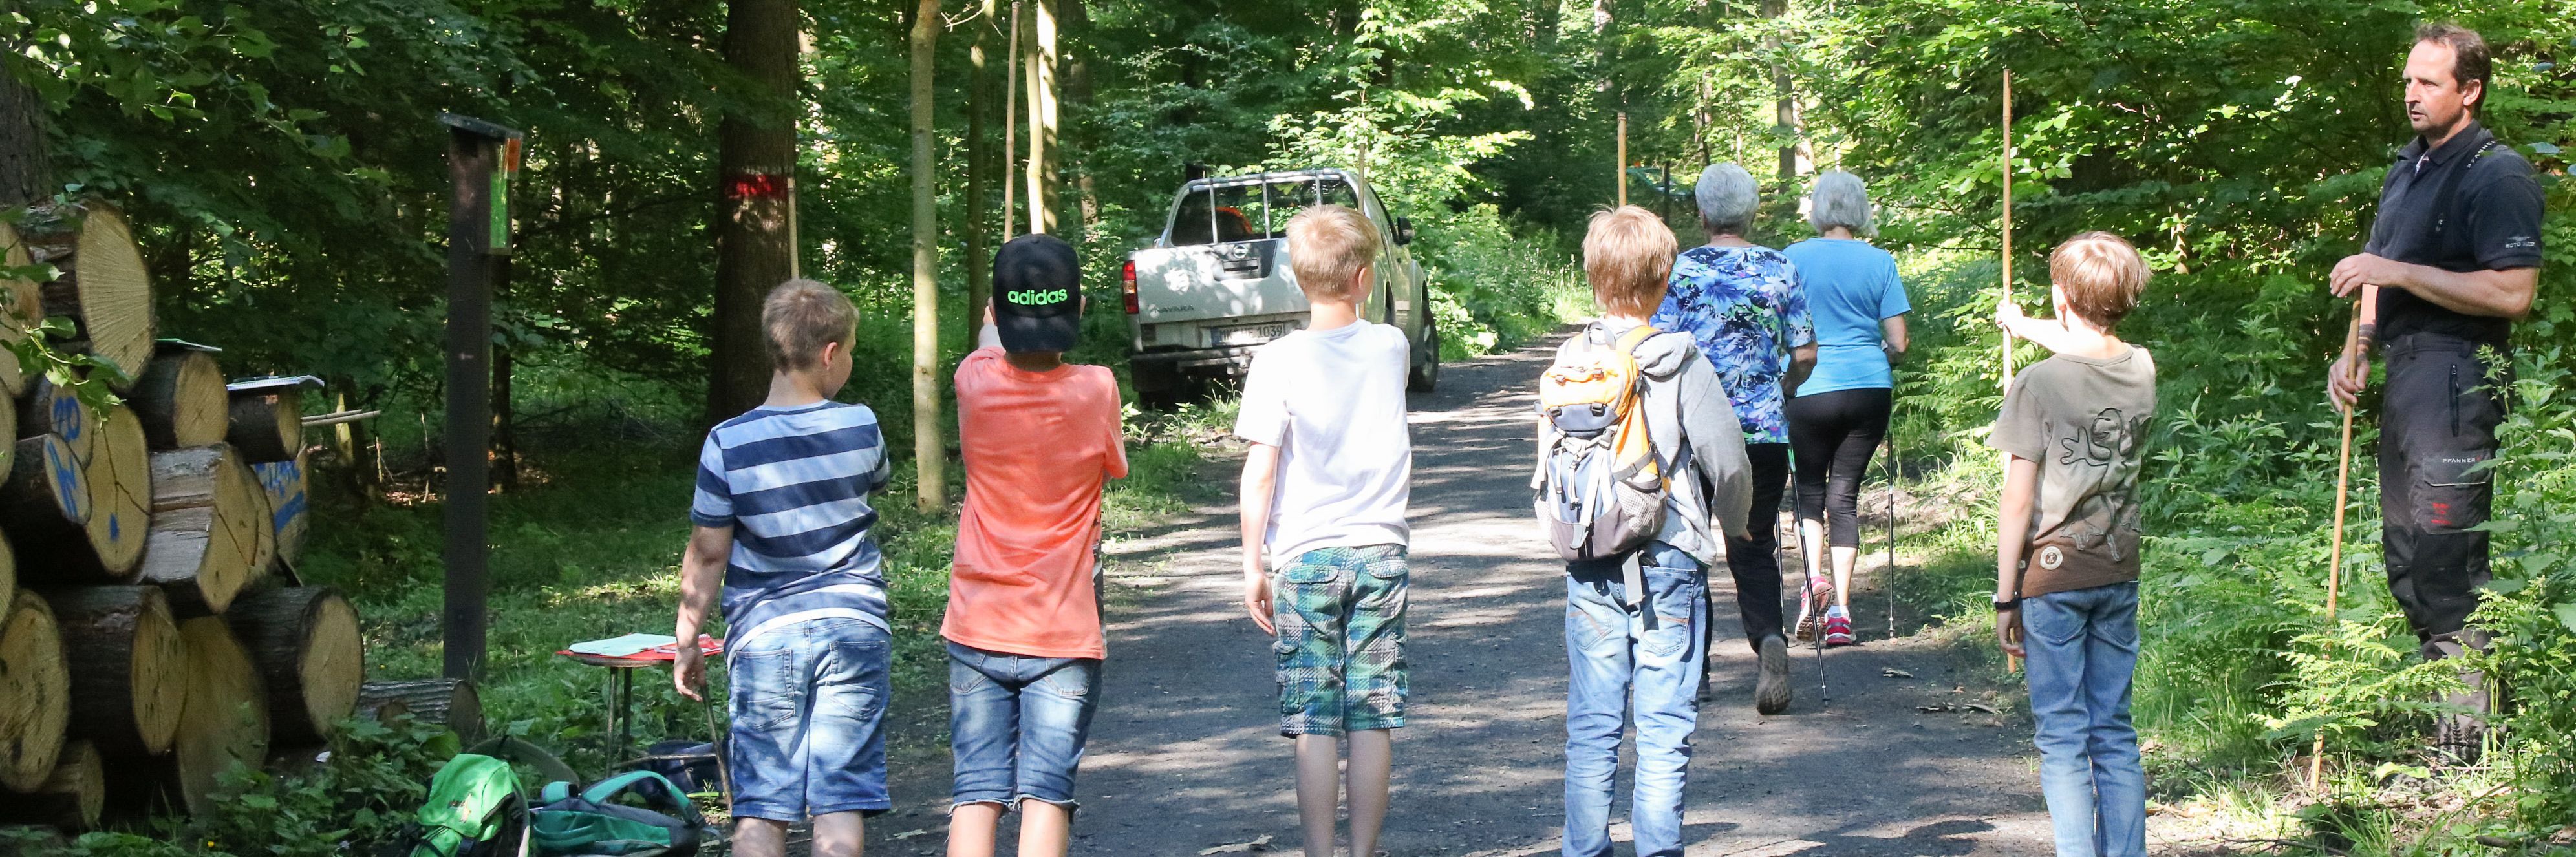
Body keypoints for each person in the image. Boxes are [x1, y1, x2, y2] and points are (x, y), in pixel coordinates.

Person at [2324, 22, 2542, 758]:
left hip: (2460, 378)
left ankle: (2470, 756)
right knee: (2408, 558)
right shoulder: (2407, 167)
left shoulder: (2498, 172)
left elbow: (2513, 293)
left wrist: (2396, 275)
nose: (2412, 94)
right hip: (2405, 375)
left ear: (2470, 90)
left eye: (2428, 82)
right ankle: (2443, 740)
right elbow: (2378, 273)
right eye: (2409, 80)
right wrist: (2356, 351)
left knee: (2448, 560)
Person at [1554, 206, 1754, 857]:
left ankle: (1583, 848)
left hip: (1591, 552)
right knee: (1664, 724)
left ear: (1591, 275)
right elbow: (1728, 461)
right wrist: (1736, 526)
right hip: (1668, 556)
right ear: (1666, 279)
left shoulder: (1570, 360)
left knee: (1592, 723)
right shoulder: (1680, 358)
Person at [672, 279, 895, 857]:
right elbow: (871, 486)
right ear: (829, 354)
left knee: (761, 808)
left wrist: (687, 638)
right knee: (840, 803)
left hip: (767, 634)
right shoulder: (861, 425)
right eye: (848, 351)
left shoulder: (727, 443)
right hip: (854, 625)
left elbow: (709, 551)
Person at [1234, 204, 1414, 857]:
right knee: (1372, 714)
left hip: (1305, 556)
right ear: (1365, 278)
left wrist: (1254, 563)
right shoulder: (1390, 347)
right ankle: (1362, 852)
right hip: (1381, 551)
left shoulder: (1276, 361)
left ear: (1295, 276)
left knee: (1316, 718)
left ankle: (1319, 853)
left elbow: (1261, 471)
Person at [943, 234, 1129, 857]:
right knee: (1047, 794)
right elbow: (1112, 465)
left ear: (995, 312)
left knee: (976, 792)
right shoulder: (1098, 388)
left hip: (976, 622)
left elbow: (986, 342)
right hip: (1063, 628)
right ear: (1077, 307)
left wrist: (999, 312)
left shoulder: (972, 381)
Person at [1993, 232, 2156, 857]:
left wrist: (2005, 597)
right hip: (2119, 569)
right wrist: (2026, 323)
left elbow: (2016, 503)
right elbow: (2086, 351)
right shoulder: (2140, 367)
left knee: (2063, 735)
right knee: (2113, 730)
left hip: (2053, 579)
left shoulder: (2037, 385)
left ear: (2061, 296)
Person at [1651, 162, 1816, 713]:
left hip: (1693, 428)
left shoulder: (1682, 271)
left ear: (1701, 214)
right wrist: (1781, 390)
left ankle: (1692, 671)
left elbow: (1660, 348)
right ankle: (1769, 640)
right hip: (1764, 429)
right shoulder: (1781, 267)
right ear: (1752, 212)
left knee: (1688, 543)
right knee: (1753, 541)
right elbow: (1807, 353)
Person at [1781, 171, 1911, 647]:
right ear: (1861, 210)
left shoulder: (1793, 257)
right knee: (1845, 498)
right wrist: (1880, 351)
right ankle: (1841, 613)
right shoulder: (1880, 262)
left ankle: (1813, 581)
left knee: (1809, 493)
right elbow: (1898, 342)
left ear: (1817, 209)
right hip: (1867, 388)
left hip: (1809, 387)